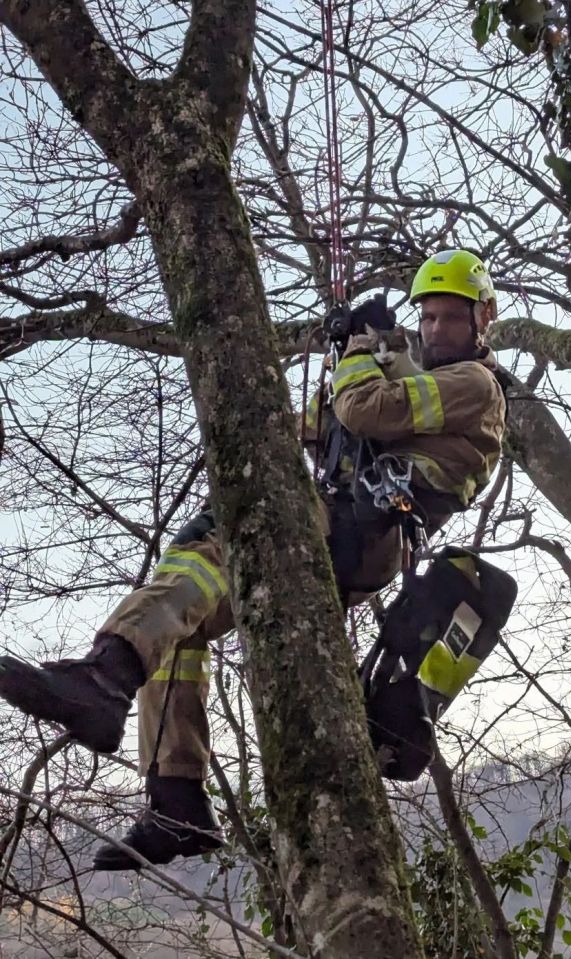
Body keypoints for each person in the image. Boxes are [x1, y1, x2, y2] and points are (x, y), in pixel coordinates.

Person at [0, 249, 507, 869]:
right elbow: (328, 422)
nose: (434, 330)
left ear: (483, 317)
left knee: (228, 545)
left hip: (368, 536)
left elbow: (363, 408)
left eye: (449, 318)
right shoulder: (420, 383)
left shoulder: (476, 387)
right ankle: (176, 798)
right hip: (346, 521)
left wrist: (362, 351)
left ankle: (105, 676)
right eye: (426, 319)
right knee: (184, 610)